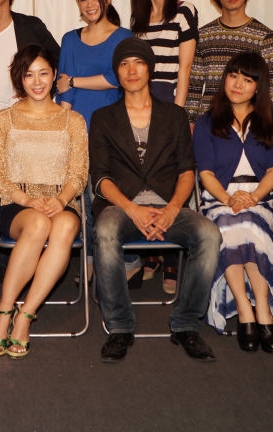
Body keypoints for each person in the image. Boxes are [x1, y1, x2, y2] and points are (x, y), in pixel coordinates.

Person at [92, 38, 221, 364]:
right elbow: (101, 178)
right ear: (117, 72)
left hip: (169, 205)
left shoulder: (174, 116)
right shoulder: (103, 118)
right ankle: (119, 327)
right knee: (105, 230)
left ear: (149, 69)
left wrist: (173, 209)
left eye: (138, 63)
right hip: (121, 207)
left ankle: (186, 324)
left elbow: (187, 171)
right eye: (124, 64)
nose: (131, 70)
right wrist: (132, 209)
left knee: (209, 233)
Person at [0, 45, 87, 359]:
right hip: (16, 202)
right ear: (20, 79)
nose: (37, 81)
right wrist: (27, 199)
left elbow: (79, 172)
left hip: (60, 201)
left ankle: (24, 316)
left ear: (55, 75)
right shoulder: (3, 119)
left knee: (65, 226)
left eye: (43, 73)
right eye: (29, 75)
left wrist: (61, 199)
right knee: (39, 223)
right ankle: (4, 312)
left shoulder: (73, 120)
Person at [193, 52, 273, 352]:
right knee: (229, 225)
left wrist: (254, 197)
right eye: (233, 76)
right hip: (219, 198)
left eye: (247, 80)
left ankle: (262, 307)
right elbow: (205, 173)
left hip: (262, 198)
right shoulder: (206, 122)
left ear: (258, 87)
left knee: (251, 224)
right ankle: (246, 309)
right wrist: (228, 199)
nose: (237, 84)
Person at [129, 0, 198, 291]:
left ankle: (170, 257)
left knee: (170, 177)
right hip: (141, 104)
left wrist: (177, 114)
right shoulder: (138, 20)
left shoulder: (184, 11)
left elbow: (185, 68)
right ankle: (151, 253)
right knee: (146, 175)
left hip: (170, 102)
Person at [185, 0, 273, 125]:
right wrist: (190, 122)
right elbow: (194, 86)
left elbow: (269, 89)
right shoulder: (204, 35)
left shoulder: (264, 35)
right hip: (209, 123)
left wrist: (265, 124)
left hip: (248, 124)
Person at [56, 0, 132, 123]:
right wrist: (63, 126)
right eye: (83, 0)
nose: (89, 5)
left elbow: (115, 79)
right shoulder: (70, 39)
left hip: (111, 122)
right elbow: (64, 89)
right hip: (76, 122)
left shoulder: (124, 37)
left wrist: (73, 82)